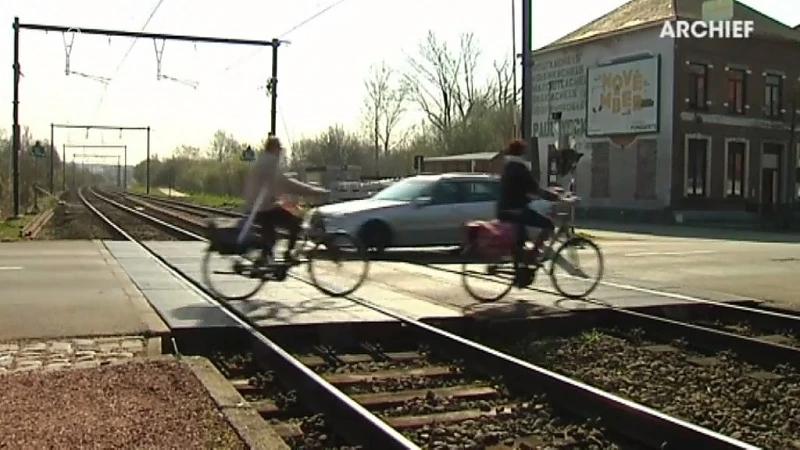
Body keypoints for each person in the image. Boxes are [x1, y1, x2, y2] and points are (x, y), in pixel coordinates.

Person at [242, 136, 328, 263]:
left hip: (256, 206)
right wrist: (313, 190)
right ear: (273, 148)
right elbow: (286, 183)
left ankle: (265, 260)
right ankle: (288, 254)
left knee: (270, 235)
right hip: (262, 208)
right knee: (295, 223)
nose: (280, 151)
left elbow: (275, 185)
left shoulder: (263, 161)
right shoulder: (269, 163)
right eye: (279, 148)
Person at [496, 139, 568, 263]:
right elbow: (534, 189)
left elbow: (519, 189)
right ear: (521, 153)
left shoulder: (508, 166)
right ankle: (532, 254)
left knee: (522, 237)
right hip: (515, 209)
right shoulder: (520, 168)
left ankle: (521, 265)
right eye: (525, 152)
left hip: (505, 208)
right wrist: (555, 196)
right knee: (548, 224)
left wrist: (549, 192)